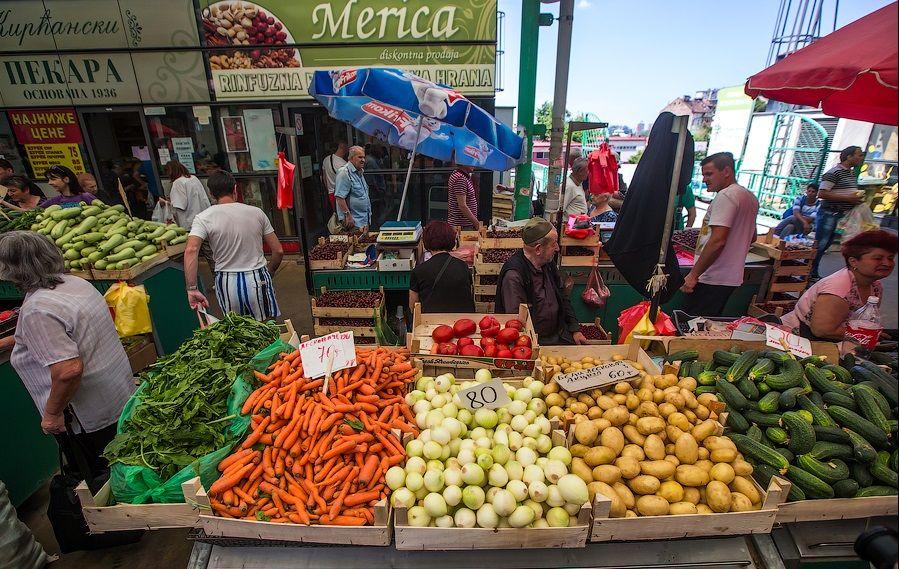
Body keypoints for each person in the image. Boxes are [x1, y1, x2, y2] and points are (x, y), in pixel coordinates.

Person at [0, 231, 135, 484]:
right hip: (116, 396)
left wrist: (52, 414)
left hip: (88, 416)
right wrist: (12, 340)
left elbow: (69, 370)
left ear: (12, 270)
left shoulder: (38, 309)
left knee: (106, 480)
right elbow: (63, 333)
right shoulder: (75, 283)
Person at [184, 171, 283, 321]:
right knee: (268, 329)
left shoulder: (203, 218)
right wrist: (270, 270)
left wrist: (192, 288)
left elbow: (191, 250)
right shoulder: (256, 213)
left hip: (227, 282)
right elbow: (278, 251)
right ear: (235, 189)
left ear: (211, 194)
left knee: (238, 334)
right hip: (257, 277)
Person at [681, 152, 759, 316]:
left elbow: (718, 240)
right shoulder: (749, 197)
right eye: (703, 175)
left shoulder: (726, 195)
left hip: (712, 276)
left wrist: (694, 275)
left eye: (709, 174)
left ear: (727, 172)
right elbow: (752, 237)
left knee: (693, 328)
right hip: (730, 277)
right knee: (708, 325)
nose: (704, 180)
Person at [781, 230, 896, 341]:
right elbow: (822, 331)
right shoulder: (839, 289)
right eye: (878, 258)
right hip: (797, 339)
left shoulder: (875, 286)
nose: (887, 263)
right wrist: (867, 335)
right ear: (853, 262)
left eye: (890, 258)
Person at [496, 217, 587, 345]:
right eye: (554, 244)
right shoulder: (514, 275)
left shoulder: (547, 264)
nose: (557, 249)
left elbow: (563, 297)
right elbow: (516, 323)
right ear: (538, 249)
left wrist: (575, 329)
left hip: (557, 336)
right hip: (531, 342)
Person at [812, 146, 867, 278]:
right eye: (859, 155)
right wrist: (848, 198)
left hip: (842, 215)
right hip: (829, 214)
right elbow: (822, 193)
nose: (861, 158)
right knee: (820, 244)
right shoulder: (834, 172)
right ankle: (809, 272)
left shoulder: (851, 173)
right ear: (849, 157)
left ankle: (811, 272)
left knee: (827, 244)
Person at [409, 221, 475, 313]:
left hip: (430, 323)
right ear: (452, 240)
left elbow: (413, 308)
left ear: (426, 241)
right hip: (462, 323)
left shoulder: (418, 271)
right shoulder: (463, 266)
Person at [162, 160, 211, 232]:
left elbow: (179, 205)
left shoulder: (178, 183)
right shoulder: (193, 178)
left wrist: (167, 203)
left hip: (190, 223)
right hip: (204, 218)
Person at [334, 146, 372, 231]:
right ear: (351, 158)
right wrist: (348, 215)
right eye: (360, 157)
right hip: (353, 222)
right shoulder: (344, 173)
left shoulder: (360, 172)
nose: (363, 160)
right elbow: (339, 197)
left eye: (363, 157)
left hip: (363, 221)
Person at [447, 163, 480, 230]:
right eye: (471, 161)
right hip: (462, 226)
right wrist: (476, 223)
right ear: (463, 162)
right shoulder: (460, 178)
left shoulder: (463, 176)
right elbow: (462, 206)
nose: (474, 164)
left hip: (465, 225)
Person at [321, 142, 348, 210]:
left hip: (331, 192)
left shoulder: (326, 159)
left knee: (336, 213)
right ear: (344, 149)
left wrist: (328, 188)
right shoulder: (344, 164)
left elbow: (324, 177)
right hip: (342, 194)